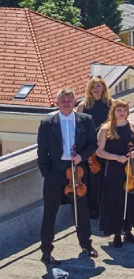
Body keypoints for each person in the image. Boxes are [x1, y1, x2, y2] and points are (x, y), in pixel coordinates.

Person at [37, 88, 99, 264]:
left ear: (74, 102)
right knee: (50, 212)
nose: (66, 103)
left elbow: (93, 144)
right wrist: (47, 173)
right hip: (55, 173)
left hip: (77, 171)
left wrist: (81, 157)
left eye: (69, 100)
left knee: (81, 210)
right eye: (63, 101)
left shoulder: (85, 120)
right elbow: (42, 151)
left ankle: (86, 244)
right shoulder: (47, 123)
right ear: (57, 102)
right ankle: (46, 250)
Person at [95, 100, 134, 247]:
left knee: (131, 198)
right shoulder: (105, 129)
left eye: (124, 110)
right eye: (119, 110)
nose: (122, 112)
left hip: (131, 168)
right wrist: (116, 157)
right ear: (113, 111)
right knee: (115, 199)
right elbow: (99, 151)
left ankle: (128, 231)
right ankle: (117, 233)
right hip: (114, 168)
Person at [78, 77, 112, 220]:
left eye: (99, 86)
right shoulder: (83, 106)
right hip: (90, 147)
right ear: (89, 90)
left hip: (107, 144)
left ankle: (106, 207)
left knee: (106, 176)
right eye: (93, 87)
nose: (96, 89)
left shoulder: (111, 103)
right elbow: (78, 128)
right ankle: (93, 208)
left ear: (103, 88)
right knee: (92, 178)